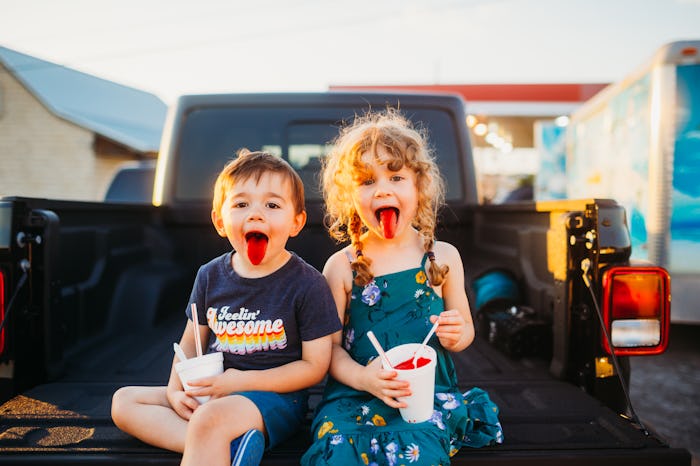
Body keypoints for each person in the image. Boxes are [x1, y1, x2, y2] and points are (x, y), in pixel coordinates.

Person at [112, 150, 342, 466]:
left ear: (296, 222)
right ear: (220, 221)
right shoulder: (209, 276)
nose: (256, 214)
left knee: (210, 418)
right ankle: (225, 449)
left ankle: (211, 439)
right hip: (215, 391)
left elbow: (315, 367)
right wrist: (175, 390)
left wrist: (238, 383)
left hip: (275, 400)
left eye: (272, 205)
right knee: (124, 401)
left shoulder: (307, 283)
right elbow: (191, 343)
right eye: (241, 204)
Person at [301, 109, 503, 465]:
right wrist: (365, 378)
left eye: (395, 177)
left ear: (419, 186)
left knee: (418, 451)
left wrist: (457, 334)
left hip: (424, 396)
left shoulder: (443, 257)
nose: (382, 189)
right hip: (355, 396)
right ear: (349, 197)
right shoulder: (341, 266)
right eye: (366, 182)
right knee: (339, 451)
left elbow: (466, 329)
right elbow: (329, 352)